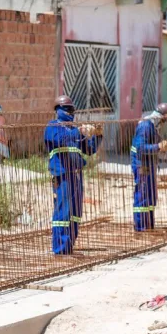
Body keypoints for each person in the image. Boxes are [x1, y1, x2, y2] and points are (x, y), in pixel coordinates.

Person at [44, 95, 103, 255]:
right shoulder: (53, 126)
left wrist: (97, 136)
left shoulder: (72, 129)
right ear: (58, 110)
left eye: (72, 109)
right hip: (62, 175)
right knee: (63, 213)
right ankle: (60, 250)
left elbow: (89, 150)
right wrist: (80, 130)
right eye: (67, 109)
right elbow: (61, 140)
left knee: (75, 214)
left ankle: (69, 247)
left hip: (76, 175)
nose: (70, 112)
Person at [131, 102, 167, 232]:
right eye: (164, 121)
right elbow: (140, 148)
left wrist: (161, 147)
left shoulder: (153, 127)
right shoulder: (145, 126)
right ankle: (140, 227)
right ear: (160, 117)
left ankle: (148, 226)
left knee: (150, 197)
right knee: (143, 197)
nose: (164, 124)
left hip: (149, 164)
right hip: (142, 165)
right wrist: (158, 147)